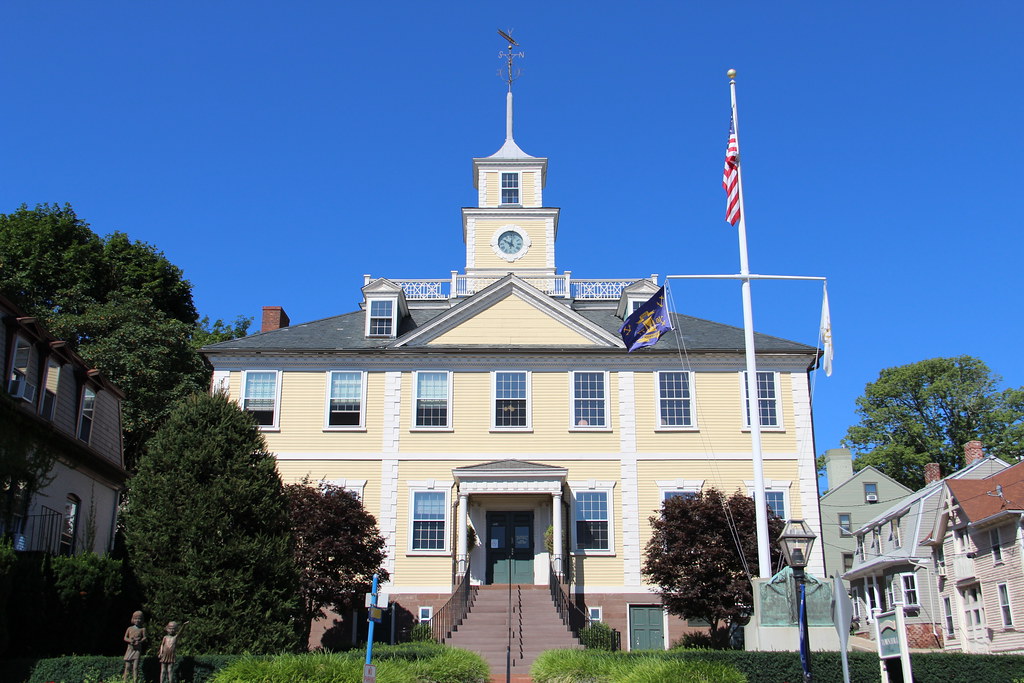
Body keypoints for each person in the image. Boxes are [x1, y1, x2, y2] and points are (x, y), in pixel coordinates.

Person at [122, 610, 146, 683]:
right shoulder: (129, 628)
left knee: (135, 667)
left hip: (137, 649)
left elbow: (144, 637)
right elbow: (125, 638)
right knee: (127, 666)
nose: (137, 620)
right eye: (135, 618)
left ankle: (135, 681)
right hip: (130, 648)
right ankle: (125, 681)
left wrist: (140, 642)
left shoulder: (142, 629)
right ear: (133, 619)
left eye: (139, 618)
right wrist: (130, 640)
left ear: (142, 619)